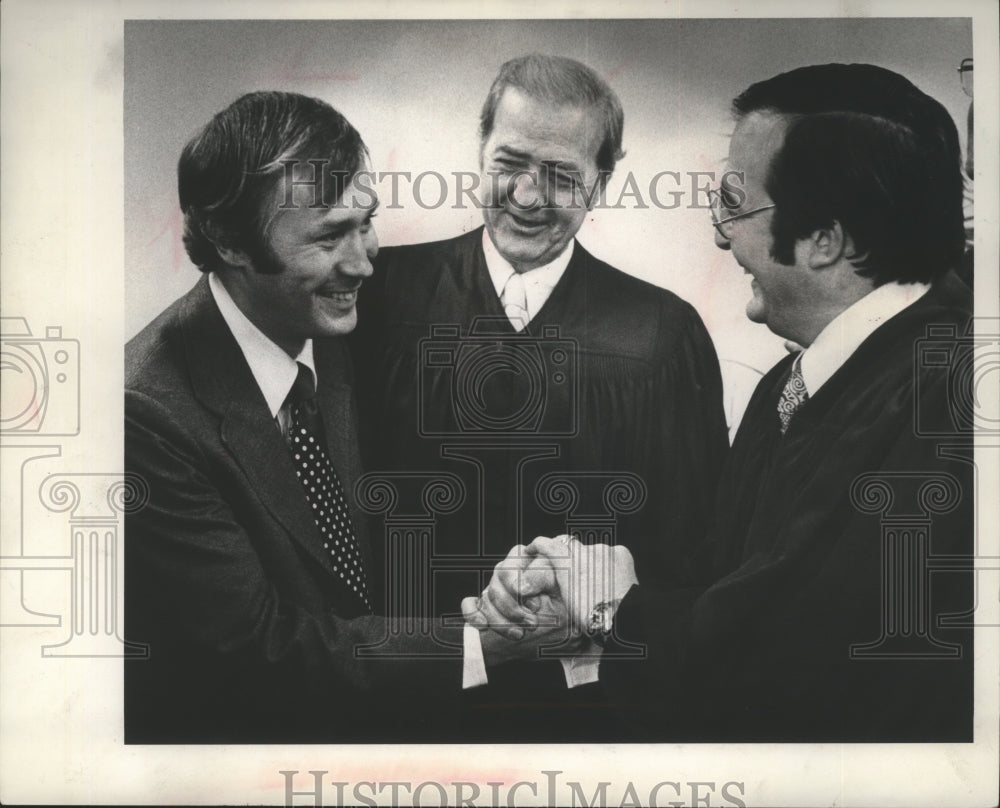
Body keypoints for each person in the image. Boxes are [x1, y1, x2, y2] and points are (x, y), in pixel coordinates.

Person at [468, 63, 975, 742]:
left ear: (827, 240)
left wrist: (614, 604)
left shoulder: (955, 404)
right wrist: (586, 600)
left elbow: (798, 671)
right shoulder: (787, 389)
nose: (719, 236)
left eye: (735, 207)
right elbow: (729, 596)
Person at [123, 91, 554, 743]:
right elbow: (261, 652)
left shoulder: (336, 321)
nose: (363, 261)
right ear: (229, 242)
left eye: (365, 221)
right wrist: (482, 644)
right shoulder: (145, 416)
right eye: (328, 236)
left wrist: (519, 584)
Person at [351, 54, 729, 739]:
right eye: (511, 162)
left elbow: (692, 562)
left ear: (603, 182)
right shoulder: (378, 299)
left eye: (561, 176)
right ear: (480, 148)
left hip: (587, 717)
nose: (527, 196)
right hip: (402, 703)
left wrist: (592, 616)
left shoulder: (661, 338)